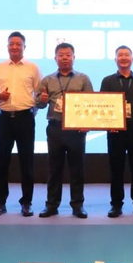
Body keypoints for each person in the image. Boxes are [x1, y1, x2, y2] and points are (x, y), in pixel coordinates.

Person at [0, 31, 41, 217]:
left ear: (24, 47)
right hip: (4, 119)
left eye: (18, 44)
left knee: (27, 162)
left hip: (25, 119)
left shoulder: (33, 68)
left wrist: (33, 110)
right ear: (7, 46)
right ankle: (0, 203)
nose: (15, 47)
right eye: (12, 44)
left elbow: (39, 93)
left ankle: (26, 203)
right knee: (2, 162)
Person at [36, 42, 93, 218]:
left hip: (76, 130)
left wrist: (87, 124)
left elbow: (90, 103)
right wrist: (42, 100)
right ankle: (51, 205)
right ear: (55, 58)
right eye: (61, 55)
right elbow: (39, 104)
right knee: (54, 169)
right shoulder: (47, 79)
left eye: (68, 55)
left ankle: (78, 205)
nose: (65, 58)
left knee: (77, 169)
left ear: (74, 57)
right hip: (55, 128)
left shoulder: (83, 78)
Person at [100, 45, 133, 218]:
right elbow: (103, 105)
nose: (123, 58)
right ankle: (116, 205)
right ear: (115, 59)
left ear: (132, 59)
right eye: (120, 55)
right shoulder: (107, 81)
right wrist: (108, 124)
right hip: (115, 129)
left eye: (126, 55)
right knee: (116, 168)